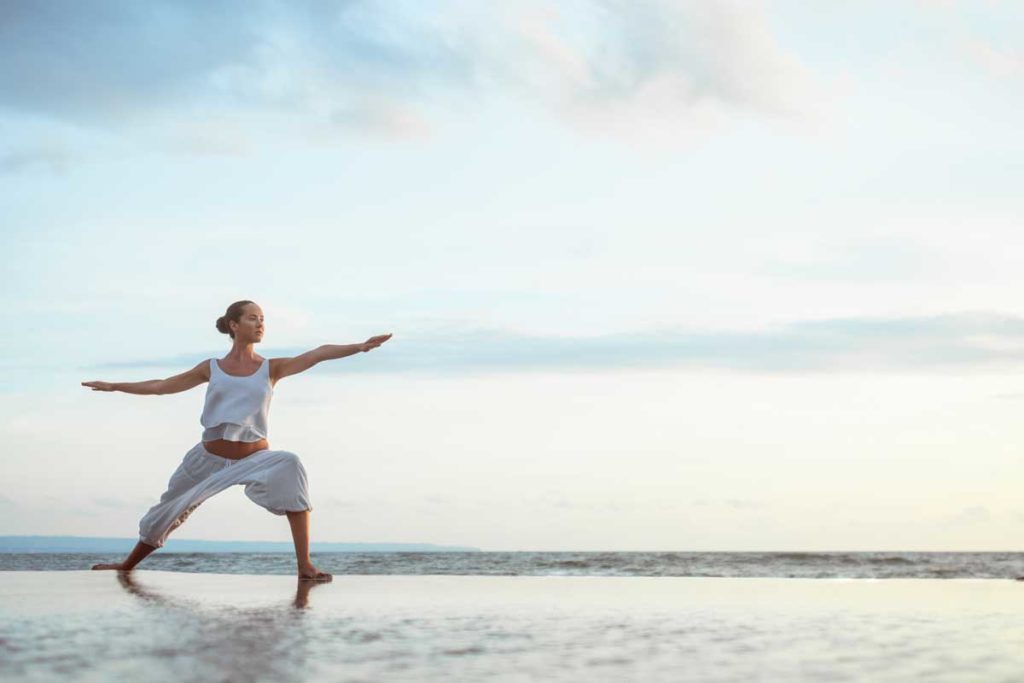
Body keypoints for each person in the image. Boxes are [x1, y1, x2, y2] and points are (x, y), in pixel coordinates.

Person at [82, 300, 392, 581]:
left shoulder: (272, 368)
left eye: (263, 320)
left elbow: (317, 354)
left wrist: (360, 347)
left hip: (255, 458)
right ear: (234, 325)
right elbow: (162, 386)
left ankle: (305, 565)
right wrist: (115, 386)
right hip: (208, 458)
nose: (260, 325)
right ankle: (127, 565)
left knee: (291, 466)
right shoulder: (211, 368)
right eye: (253, 319)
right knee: (168, 512)